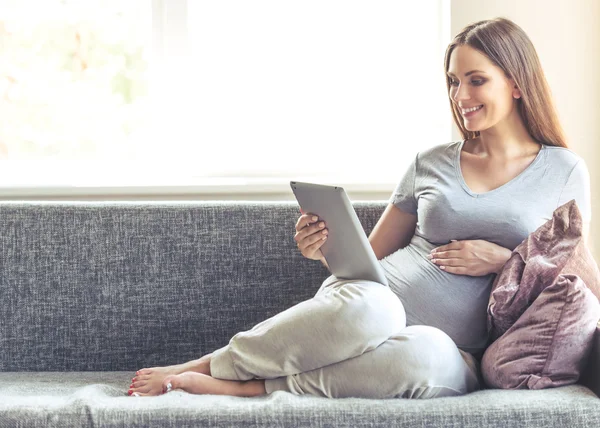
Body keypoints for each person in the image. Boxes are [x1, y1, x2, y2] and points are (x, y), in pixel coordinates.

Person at [128, 17, 591, 398]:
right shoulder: (429, 163)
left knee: (427, 358)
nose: (461, 97)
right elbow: (368, 259)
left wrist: (506, 261)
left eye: (476, 81)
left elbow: (577, 280)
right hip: (366, 307)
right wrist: (324, 250)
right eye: (453, 81)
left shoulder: (565, 171)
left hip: (452, 346)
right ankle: (214, 365)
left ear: (515, 82)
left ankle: (253, 387)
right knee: (378, 309)